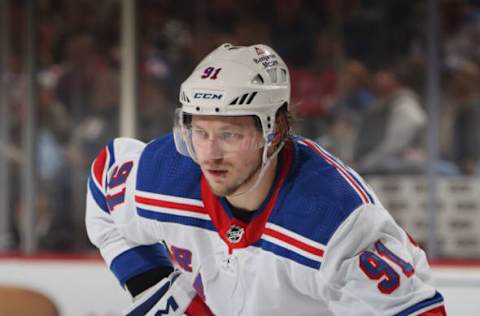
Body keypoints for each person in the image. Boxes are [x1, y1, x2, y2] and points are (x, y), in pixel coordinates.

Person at [86, 43, 446, 315]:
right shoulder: (166, 174)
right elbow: (105, 179)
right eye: (200, 131)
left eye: (229, 134)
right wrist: (156, 288)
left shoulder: (335, 220)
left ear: (277, 130)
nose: (209, 155)